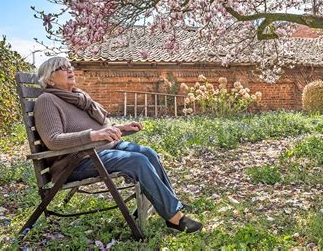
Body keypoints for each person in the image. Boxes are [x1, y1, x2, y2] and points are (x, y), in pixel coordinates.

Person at [34, 56, 202, 233]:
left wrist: (118, 128)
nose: (70, 70)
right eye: (62, 67)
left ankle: (171, 203)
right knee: (136, 161)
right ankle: (174, 219)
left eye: (69, 66)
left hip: (99, 150)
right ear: (49, 79)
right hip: (75, 162)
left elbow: (96, 128)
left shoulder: (77, 97)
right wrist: (94, 135)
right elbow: (53, 139)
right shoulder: (47, 100)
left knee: (148, 153)